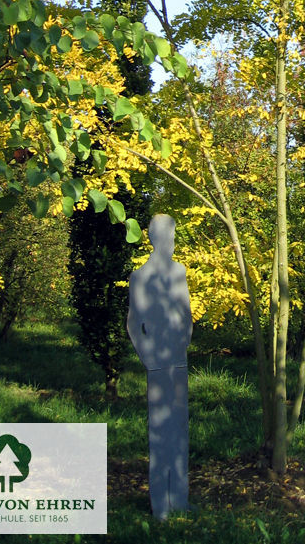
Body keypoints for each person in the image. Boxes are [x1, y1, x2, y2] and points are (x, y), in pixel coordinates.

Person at [127, 214, 192, 519]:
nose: (174, 240)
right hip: (156, 364)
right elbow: (133, 324)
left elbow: (186, 313)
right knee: (159, 432)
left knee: (178, 430)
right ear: (158, 238)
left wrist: (183, 345)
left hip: (178, 361)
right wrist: (149, 357)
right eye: (172, 234)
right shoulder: (139, 277)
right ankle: (160, 508)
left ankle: (179, 499)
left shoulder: (179, 272)